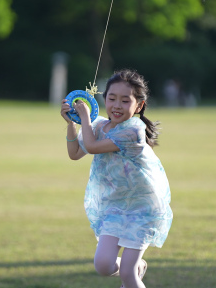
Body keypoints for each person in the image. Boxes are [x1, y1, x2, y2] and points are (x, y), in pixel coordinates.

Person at [60, 69, 173, 288]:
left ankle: (134, 269)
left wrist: (83, 117)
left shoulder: (133, 132)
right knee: (103, 265)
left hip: (142, 208)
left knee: (127, 275)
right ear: (104, 100)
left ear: (138, 106)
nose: (117, 106)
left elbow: (91, 147)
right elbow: (75, 154)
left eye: (125, 100)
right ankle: (139, 267)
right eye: (112, 99)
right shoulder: (100, 126)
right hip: (115, 206)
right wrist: (71, 123)